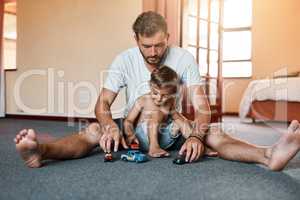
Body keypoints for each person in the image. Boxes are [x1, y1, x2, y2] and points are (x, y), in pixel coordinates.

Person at [14, 11, 300, 171]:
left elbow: (202, 107)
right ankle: (41, 150)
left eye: (159, 46)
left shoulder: (184, 58)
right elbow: (102, 105)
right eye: (146, 46)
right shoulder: (123, 59)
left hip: (174, 130)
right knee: (92, 131)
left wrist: (197, 136)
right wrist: (110, 127)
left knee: (214, 131)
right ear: (136, 39)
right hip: (134, 130)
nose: (153, 53)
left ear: (168, 38)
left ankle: (268, 155)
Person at [124, 65, 194, 157]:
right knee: (157, 113)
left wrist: (187, 123)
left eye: (165, 95)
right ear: (150, 85)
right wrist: (130, 135)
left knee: (180, 120)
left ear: (172, 93)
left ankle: (194, 143)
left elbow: (177, 117)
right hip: (143, 140)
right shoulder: (143, 100)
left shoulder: (170, 101)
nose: (159, 98)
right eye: (155, 93)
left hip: (164, 138)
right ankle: (154, 147)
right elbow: (128, 121)